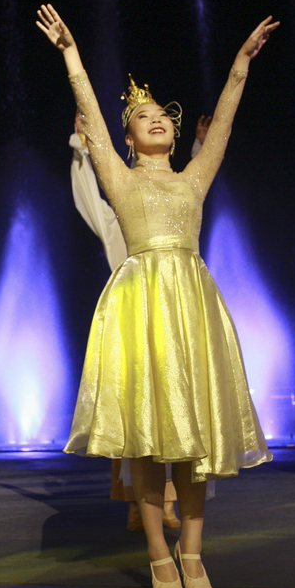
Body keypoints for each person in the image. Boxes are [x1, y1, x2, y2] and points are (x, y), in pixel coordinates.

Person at [38, 4, 276, 588]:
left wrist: (241, 64)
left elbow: (222, 124)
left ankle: (192, 553)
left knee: (194, 441)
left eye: (162, 116)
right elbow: (88, 110)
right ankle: (156, 556)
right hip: (139, 301)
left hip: (192, 302)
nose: (158, 121)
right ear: (127, 136)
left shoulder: (194, 178)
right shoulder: (118, 178)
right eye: (143, 117)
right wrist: (70, 51)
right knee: (148, 440)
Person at [71, 113, 211, 532]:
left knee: (182, 410)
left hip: (178, 310)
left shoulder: (172, 190)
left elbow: (188, 192)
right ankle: (142, 503)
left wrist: (200, 148)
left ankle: (169, 510)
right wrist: (82, 149)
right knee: (138, 413)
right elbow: (87, 198)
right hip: (135, 317)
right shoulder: (118, 216)